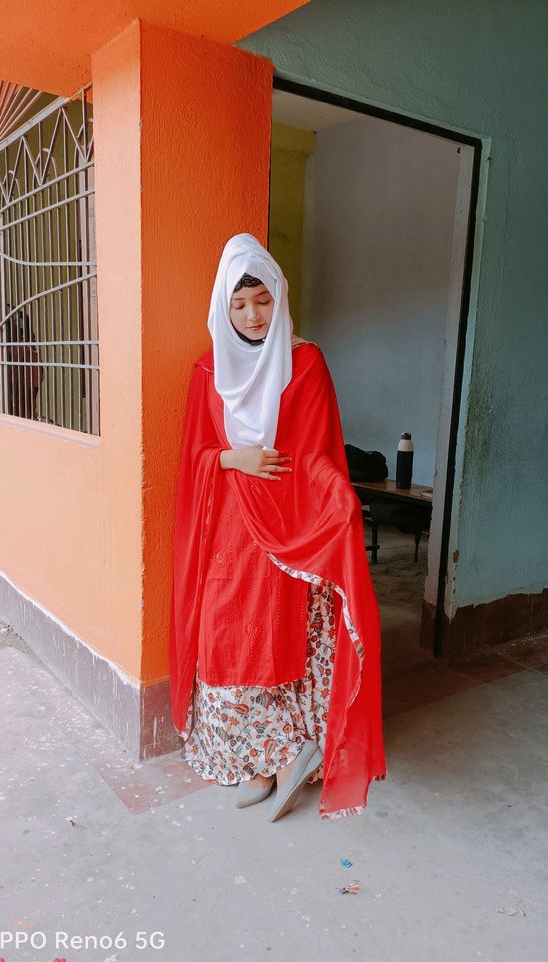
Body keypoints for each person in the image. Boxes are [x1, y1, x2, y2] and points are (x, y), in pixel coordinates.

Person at [169, 233, 386, 822]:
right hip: (227, 528)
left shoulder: (305, 360)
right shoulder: (208, 368)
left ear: (279, 296)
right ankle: (250, 756)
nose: (252, 315)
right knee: (225, 628)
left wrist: (338, 494)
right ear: (223, 307)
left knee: (275, 635)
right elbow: (194, 456)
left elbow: (316, 450)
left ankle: (283, 754)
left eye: (262, 300)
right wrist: (229, 458)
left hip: (286, 527)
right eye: (239, 305)